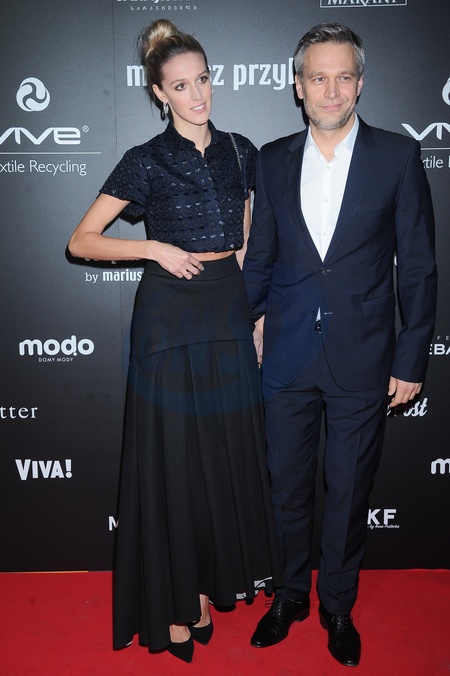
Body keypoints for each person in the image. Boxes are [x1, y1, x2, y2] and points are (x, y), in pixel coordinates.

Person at [68, 19, 281, 664]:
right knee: (174, 462)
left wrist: (257, 319)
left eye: (203, 80)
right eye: (181, 86)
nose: (197, 95)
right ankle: (177, 596)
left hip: (227, 308)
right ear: (160, 94)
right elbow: (81, 240)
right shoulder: (145, 159)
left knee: (222, 455)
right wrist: (154, 247)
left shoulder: (242, 151)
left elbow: (247, 243)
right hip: (168, 317)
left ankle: (212, 581)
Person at [242, 22, 437, 667]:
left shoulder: (397, 157)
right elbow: (261, 258)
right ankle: (289, 596)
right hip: (286, 353)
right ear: (298, 86)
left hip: (365, 354)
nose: (332, 90)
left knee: (349, 491)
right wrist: (246, 325)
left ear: (360, 83)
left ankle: (338, 606)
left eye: (344, 76)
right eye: (318, 77)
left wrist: (411, 356)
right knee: (286, 487)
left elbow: (418, 267)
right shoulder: (272, 159)